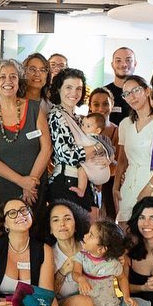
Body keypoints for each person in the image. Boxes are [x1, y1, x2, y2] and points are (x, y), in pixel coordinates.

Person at [0, 59, 51, 217]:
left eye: (13, 77)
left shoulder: (34, 108)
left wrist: (30, 183)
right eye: (2, 77)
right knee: (4, 233)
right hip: (4, 186)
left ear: (19, 82)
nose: (8, 81)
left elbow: (47, 148)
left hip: (35, 185)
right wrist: (21, 181)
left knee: (36, 232)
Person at [113, 75, 153, 224]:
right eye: (126, 94)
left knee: (151, 230)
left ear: (147, 91)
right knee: (126, 232)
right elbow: (122, 159)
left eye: (136, 90)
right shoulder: (125, 124)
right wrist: (116, 187)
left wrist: (148, 189)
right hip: (129, 183)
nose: (132, 97)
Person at [46, 68, 100, 212]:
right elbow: (68, 155)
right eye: (68, 87)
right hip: (66, 182)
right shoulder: (56, 115)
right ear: (58, 89)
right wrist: (97, 149)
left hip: (84, 182)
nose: (74, 93)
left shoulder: (79, 118)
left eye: (78, 89)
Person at [88, 87, 119, 219]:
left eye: (105, 103)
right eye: (96, 104)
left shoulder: (117, 131)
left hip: (108, 187)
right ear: (90, 106)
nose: (101, 108)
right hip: (86, 183)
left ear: (112, 104)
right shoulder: (82, 127)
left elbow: (119, 163)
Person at [77, 112, 115, 210]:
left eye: (88, 126)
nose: (84, 128)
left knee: (81, 170)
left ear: (97, 130)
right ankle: (84, 189)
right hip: (94, 171)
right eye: (83, 124)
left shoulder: (99, 138)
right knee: (82, 170)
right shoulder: (83, 136)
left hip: (101, 170)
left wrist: (109, 158)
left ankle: (82, 189)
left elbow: (110, 148)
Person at [102, 46, 137, 126]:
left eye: (128, 60)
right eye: (118, 61)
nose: (124, 64)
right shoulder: (103, 93)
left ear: (135, 64)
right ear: (112, 65)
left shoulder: (144, 94)